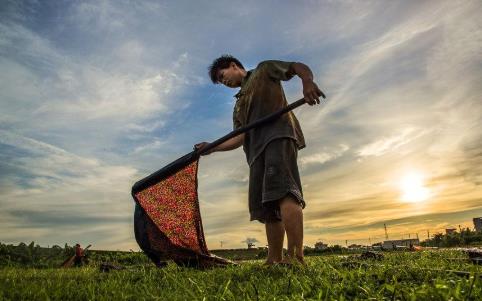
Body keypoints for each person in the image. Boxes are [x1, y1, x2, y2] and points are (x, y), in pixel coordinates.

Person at [195, 55, 324, 265]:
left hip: (277, 137)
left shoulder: (264, 70)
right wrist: (212, 147)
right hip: (255, 154)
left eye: (222, 75)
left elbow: (297, 67)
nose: (223, 82)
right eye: (220, 81)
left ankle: (295, 256)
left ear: (233, 65)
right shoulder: (238, 105)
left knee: (285, 193)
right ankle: (274, 259)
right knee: (267, 207)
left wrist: (307, 82)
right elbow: (239, 137)